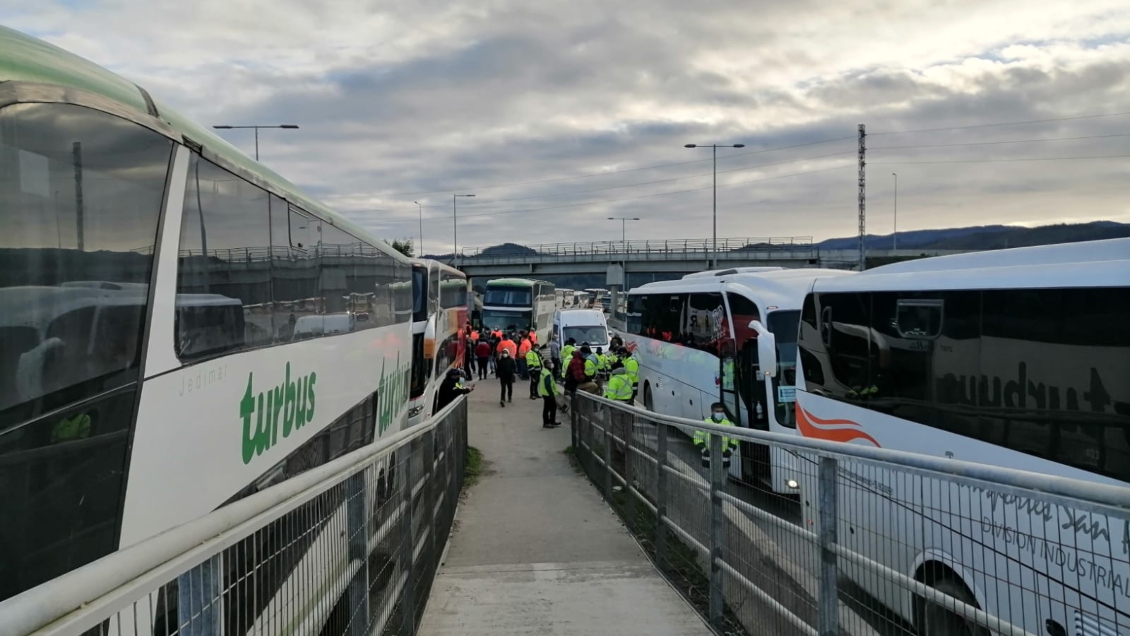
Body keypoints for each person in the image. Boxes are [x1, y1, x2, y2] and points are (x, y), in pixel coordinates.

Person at [694, 403, 738, 468]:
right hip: (708, 459)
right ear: (712, 412)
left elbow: (735, 440)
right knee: (707, 478)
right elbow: (697, 439)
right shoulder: (704, 423)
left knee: (723, 478)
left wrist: (729, 451)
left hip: (724, 460)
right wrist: (705, 451)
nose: (720, 413)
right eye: (717, 411)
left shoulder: (729, 424)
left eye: (721, 411)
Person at [538, 361, 560, 428]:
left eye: (551, 363)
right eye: (549, 363)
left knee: (552, 407)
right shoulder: (547, 373)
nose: (551, 364)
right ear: (546, 365)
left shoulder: (544, 371)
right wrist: (551, 394)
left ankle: (551, 421)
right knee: (548, 408)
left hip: (545, 393)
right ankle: (547, 422)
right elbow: (548, 385)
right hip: (548, 393)